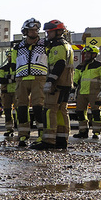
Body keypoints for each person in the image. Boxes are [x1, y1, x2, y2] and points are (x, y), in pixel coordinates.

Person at [37, 19, 74, 151]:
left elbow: (59, 65)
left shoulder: (58, 46)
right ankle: (61, 140)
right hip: (66, 83)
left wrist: (50, 81)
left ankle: (49, 140)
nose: (48, 35)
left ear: (58, 32)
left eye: (50, 32)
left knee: (49, 111)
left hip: (57, 84)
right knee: (61, 111)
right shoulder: (67, 45)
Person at [12, 18, 48, 148]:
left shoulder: (45, 44)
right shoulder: (18, 46)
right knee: (21, 108)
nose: (34, 32)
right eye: (31, 30)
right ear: (25, 31)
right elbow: (13, 64)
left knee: (39, 106)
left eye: (35, 30)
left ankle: (41, 133)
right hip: (21, 79)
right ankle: (23, 135)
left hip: (39, 78)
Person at [72, 39, 101, 139]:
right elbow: (75, 80)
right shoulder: (80, 66)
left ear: (94, 54)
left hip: (95, 93)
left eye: (89, 53)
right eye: (85, 53)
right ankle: (83, 131)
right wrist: (72, 92)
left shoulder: (100, 66)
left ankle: (97, 132)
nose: (86, 55)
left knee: (96, 112)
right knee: (80, 112)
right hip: (81, 93)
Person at [0, 49, 18, 138]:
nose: (10, 58)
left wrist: (8, 78)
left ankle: (20, 128)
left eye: (11, 57)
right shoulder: (2, 68)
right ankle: (9, 129)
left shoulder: (18, 67)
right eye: (8, 57)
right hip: (6, 92)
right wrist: (12, 78)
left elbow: (19, 77)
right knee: (7, 112)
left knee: (19, 111)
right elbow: (1, 80)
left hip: (16, 91)